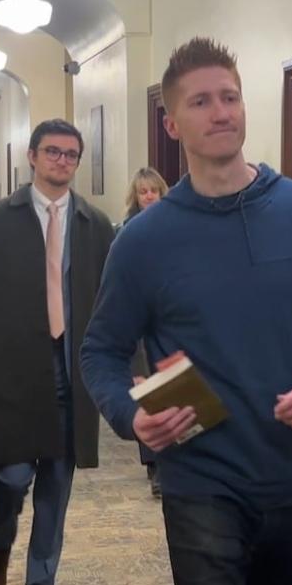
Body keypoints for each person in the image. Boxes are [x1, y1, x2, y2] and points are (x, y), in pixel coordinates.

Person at [81, 38, 292, 585]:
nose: (220, 112)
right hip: (199, 477)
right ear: (171, 124)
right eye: (200, 102)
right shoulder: (143, 240)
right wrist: (132, 414)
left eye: (230, 97)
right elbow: (101, 351)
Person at [0, 119, 115, 585]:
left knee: (56, 489)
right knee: (13, 476)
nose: (61, 161)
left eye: (71, 155)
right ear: (32, 156)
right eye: (52, 152)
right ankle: (0, 541)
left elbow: (111, 302)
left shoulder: (95, 224)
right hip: (14, 369)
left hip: (72, 371)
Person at [119, 166, 171, 497]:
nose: (149, 196)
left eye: (153, 190)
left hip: (171, 322)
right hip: (140, 324)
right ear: (135, 197)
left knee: (173, 390)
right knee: (147, 392)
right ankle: (155, 467)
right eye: (143, 191)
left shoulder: (178, 225)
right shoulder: (127, 232)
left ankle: (174, 461)